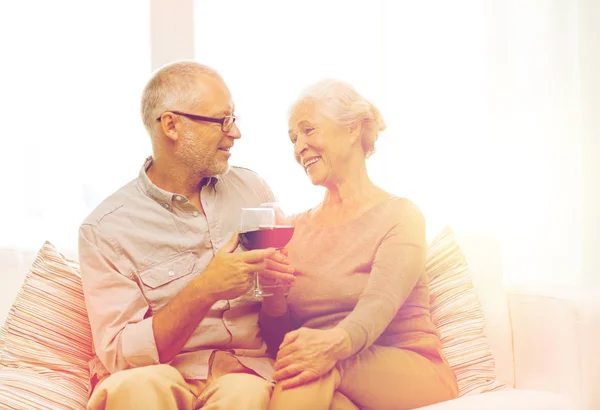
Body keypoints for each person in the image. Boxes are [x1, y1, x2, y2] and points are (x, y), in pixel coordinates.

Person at [78, 61, 296, 410]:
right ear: (172, 125)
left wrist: (276, 290)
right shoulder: (105, 230)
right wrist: (206, 287)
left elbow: (279, 323)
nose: (235, 133)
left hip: (241, 374)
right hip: (160, 374)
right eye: (222, 120)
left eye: (234, 119)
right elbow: (121, 354)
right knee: (137, 387)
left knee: (246, 394)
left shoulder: (253, 190)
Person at [259, 79, 459, 410]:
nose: (299, 148)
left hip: (410, 370)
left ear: (353, 128)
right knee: (322, 386)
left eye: (309, 131)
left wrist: (331, 346)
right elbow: (283, 345)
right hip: (328, 378)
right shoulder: (292, 228)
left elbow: (378, 305)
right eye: (294, 138)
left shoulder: (400, 215)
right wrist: (273, 297)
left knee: (316, 368)